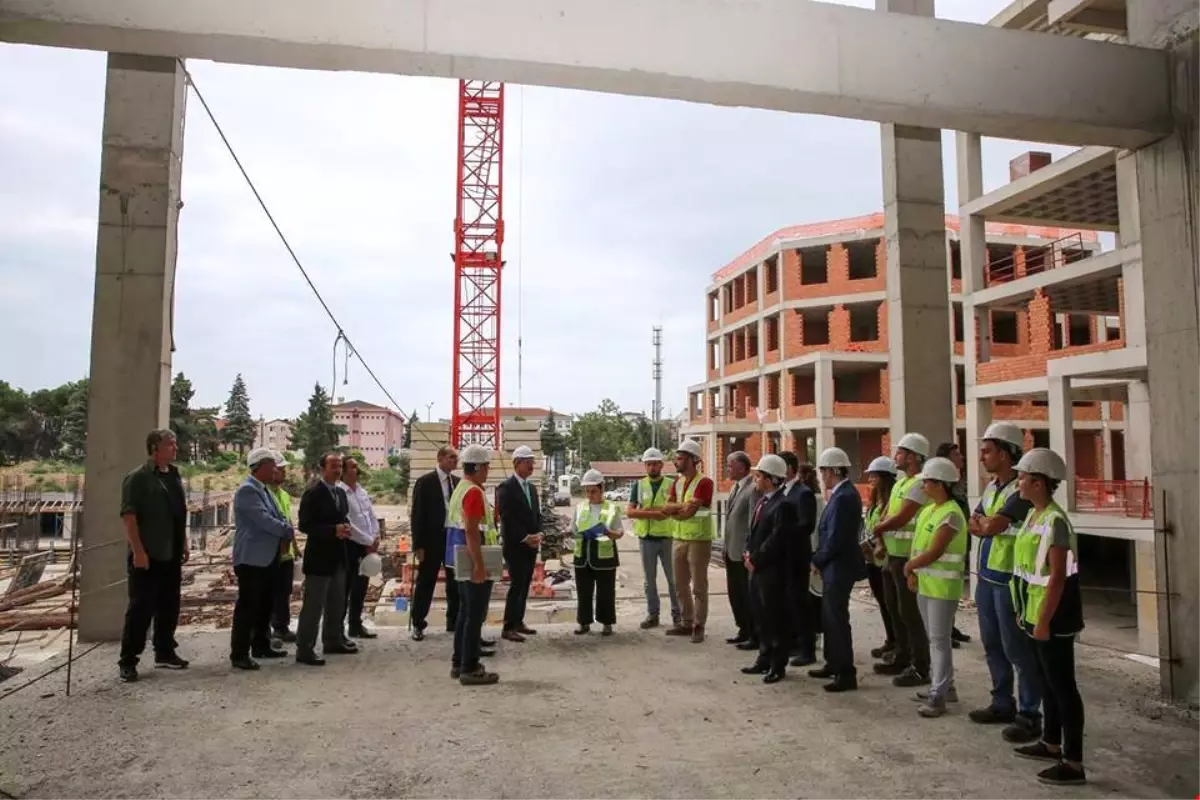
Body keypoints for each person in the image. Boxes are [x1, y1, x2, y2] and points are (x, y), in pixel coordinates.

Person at [1010, 448, 1086, 787]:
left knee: (1063, 688)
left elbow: (1057, 578)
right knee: (1047, 684)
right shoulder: (1033, 516)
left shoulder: (1055, 521)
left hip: (1054, 618)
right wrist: (1025, 614)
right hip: (1034, 614)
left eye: (1023, 477)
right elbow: (1029, 572)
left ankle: (1073, 762)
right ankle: (1051, 742)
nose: (1018, 483)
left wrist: (1042, 622)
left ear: (1038, 483)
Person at [968, 422, 1043, 744]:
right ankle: (1002, 702)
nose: (982, 456)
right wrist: (985, 525)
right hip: (987, 578)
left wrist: (987, 525)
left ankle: (1029, 714)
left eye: (987, 450)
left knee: (1018, 649)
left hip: (1010, 579)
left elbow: (994, 524)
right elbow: (976, 522)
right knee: (992, 644)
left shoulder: (1020, 489)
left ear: (1005, 451)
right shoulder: (991, 487)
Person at [117, 428, 190, 683]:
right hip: (147, 555)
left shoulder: (174, 476)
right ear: (154, 449)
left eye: (175, 444)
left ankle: (165, 651)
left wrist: (184, 543)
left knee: (170, 605)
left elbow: (179, 513)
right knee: (140, 609)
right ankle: (128, 660)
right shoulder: (137, 478)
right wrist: (138, 551)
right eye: (170, 444)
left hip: (171, 553)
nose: (175, 448)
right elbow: (129, 516)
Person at [903, 456, 968, 717]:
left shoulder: (951, 514)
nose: (923, 486)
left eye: (927, 482)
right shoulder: (930, 510)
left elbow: (935, 551)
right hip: (927, 584)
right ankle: (944, 687)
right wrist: (914, 571)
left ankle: (938, 695)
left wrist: (910, 567)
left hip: (943, 587)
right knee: (936, 640)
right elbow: (920, 547)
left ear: (941, 484)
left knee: (939, 641)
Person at [871, 431, 932, 688]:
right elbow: (887, 513)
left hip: (906, 556)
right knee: (896, 609)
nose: (896, 456)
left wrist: (878, 530)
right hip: (891, 555)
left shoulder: (919, 483)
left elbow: (903, 516)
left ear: (913, 457)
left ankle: (920, 666)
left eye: (900, 452)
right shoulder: (901, 483)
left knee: (910, 613)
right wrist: (881, 539)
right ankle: (902, 655)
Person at [230, 448, 295, 670]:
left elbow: (278, 516)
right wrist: (287, 531)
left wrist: (285, 529)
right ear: (261, 467)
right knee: (248, 606)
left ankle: (261, 644)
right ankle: (239, 653)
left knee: (266, 604)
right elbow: (265, 520)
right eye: (273, 466)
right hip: (252, 559)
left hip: (268, 557)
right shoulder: (248, 491)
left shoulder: (264, 490)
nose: (276, 470)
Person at [808, 447, 865, 693]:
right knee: (830, 618)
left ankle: (845, 672)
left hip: (839, 567)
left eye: (823, 471)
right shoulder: (842, 494)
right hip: (835, 566)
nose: (822, 476)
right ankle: (833, 663)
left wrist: (818, 560)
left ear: (833, 471)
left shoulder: (844, 497)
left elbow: (836, 538)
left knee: (837, 619)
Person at [739, 454, 799, 684]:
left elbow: (777, 539)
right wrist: (748, 552)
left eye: (760, 475)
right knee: (761, 616)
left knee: (775, 618)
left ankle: (777, 663)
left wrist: (757, 559)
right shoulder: (763, 501)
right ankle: (764, 657)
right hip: (757, 569)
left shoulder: (783, 505)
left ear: (773, 479)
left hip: (772, 571)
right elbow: (754, 533)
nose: (756, 479)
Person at [446, 444, 501, 685]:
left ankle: (459, 662)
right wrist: (479, 565)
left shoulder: (460, 488)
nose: (488, 471)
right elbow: (470, 529)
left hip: (459, 560)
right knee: (474, 615)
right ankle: (470, 667)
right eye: (486, 466)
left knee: (465, 613)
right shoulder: (474, 492)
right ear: (477, 467)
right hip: (472, 561)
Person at [295, 451, 356, 666]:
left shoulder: (339, 493)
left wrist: (345, 527)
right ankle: (305, 647)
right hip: (320, 558)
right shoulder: (313, 492)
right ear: (322, 469)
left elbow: (343, 517)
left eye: (340, 466)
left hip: (338, 556)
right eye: (333, 466)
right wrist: (333, 530)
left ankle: (332, 639)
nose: (338, 470)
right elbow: (305, 525)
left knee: (337, 602)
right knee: (314, 605)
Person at [661, 439, 716, 643]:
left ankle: (699, 625)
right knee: (680, 584)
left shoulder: (705, 482)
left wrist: (677, 510)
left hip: (699, 540)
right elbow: (667, 508)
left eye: (681, 458)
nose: (677, 461)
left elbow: (689, 513)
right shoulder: (677, 482)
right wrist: (680, 508)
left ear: (693, 460)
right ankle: (686, 622)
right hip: (679, 538)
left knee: (699, 586)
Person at [626, 447, 682, 630]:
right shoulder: (639, 485)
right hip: (647, 538)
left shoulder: (672, 484)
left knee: (673, 579)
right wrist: (656, 513)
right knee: (649, 580)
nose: (651, 468)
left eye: (655, 464)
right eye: (648, 464)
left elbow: (675, 509)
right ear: (645, 466)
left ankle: (678, 615)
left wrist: (644, 512)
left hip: (667, 538)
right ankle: (653, 615)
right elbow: (629, 511)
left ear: (661, 465)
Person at [409, 446, 460, 641]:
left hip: (452, 538)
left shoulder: (457, 482)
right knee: (426, 582)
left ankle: (453, 621)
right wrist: (418, 545)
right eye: (450, 457)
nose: (454, 461)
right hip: (431, 540)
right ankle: (418, 623)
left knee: (455, 582)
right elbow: (417, 515)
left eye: (456, 458)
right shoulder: (426, 482)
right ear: (440, 458)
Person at [497, 445, 542, 643]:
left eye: (532, 462)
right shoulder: (506, 488)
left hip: (532, 544)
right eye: (527, 462)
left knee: (525, 584)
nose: (531, 466)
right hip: (516, 545)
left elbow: (536, 514)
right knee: (516, 584)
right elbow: (507, 518)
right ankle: (508, 625)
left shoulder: (531, 488)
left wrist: (538, 533)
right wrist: (524, 537)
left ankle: (519, 621)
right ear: (516, 464)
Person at [572, 469, 624, 636]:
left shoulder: (611, 508)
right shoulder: (580, 507)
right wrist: (569, 533)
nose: (590, 494)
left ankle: (606, 623)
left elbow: (620, 532)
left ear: (601, 488)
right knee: (583, 591)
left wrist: (610, 533)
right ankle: (584, 622)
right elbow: (573, 529)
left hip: (604, 557)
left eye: (593, 491)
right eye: (587, 491)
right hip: (583, 556)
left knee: (606, 592)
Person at [781, 454, 818, 667]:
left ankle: (807, 648)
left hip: (796, 555)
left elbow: (806, 525)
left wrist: (784, 533)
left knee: (799, 602)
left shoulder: (803, 493)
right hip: (783, 556)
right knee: (787, 602)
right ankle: (792, 642)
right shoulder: (782, 491)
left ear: (790, 469)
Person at [861, 456, 899, 662]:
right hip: (872, 558)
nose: (871, 479)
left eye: (874, 475)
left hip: (884, 558)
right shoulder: (876, 500)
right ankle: (890, 639)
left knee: (890, 602)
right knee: (883, 603)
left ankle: (897, 642)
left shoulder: (893, 501)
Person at [936, 440, 973, 648]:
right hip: (946, 542)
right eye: (957, 455)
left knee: (954, 588)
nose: (962, 458)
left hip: (960, 539)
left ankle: (951, 626)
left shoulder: (959, 481)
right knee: (944, 589)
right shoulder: (944, 484)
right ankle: (945, 629)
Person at [339, 456, 380, 640]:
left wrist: (375, 536)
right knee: (346, 587)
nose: (357, 470)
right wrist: (367, 540)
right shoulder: (341, 493)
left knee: (361, 586)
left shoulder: (361, 492)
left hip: (366, 545)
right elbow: (348, 523)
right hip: (351, 545)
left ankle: (355, 624)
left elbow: (370, 515)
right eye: (353, 467)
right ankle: (338, 628)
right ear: (344, 471)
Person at [720, 450, 757, 647]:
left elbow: (752, 522)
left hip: (742, 552)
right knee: (735, 592)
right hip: (731, 550)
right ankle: (742, 628)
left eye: (730, 465)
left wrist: (748, 550)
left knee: (746, 593)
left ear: (742, 467)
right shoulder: (735, 488)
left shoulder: (752, 489)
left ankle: (752, 632)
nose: (728, 469)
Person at [266, 453, 298, 644]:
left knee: (284, 591)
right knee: (269, 592)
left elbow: (288, 521)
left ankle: (281, 627)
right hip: (272, 551)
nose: (284, 473)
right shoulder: (264, 493)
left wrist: (295, 545)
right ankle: (267, 629)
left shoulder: (284, 494)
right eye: (281, 469)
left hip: (286, 553)